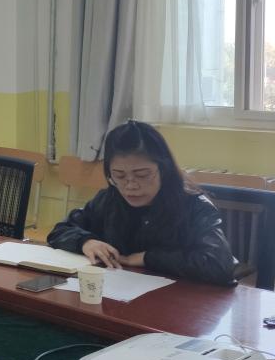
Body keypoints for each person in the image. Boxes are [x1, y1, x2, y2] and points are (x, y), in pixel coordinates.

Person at [48, 120, 237, 285]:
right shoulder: (109, 199)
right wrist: (85, 241)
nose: (130, 185)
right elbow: (60, 231)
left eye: (142, 175)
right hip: (117, 294)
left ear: (164, 170)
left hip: (177, 304)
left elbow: (219, 265)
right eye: (119, 175)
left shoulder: (195, 207)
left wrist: (147, 258)